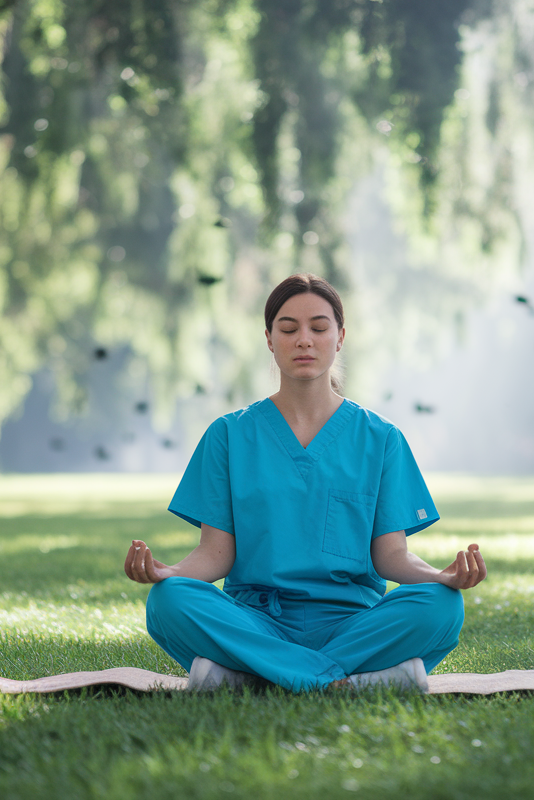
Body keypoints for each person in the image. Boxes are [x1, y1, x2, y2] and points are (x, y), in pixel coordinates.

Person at [123, 273, 486, 692]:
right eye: (289, 328)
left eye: (318, 327)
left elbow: (391, 556)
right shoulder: (228, 435)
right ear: (269, 338)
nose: (304, 341)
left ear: (340, 336)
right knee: (170, 600)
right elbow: (215, 554)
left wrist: (441, 578)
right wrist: (171, 572)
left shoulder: (381, 439)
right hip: (256, 622)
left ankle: (256, 677)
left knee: (441, 607)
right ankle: (349, 681)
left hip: (353, 624)